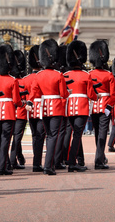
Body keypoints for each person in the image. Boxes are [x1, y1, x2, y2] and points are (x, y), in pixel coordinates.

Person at [27, 39, 69, 175]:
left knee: (48, 135)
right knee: (53, 136)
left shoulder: (38, 76)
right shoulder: (59, 75)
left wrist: (29, 103)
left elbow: (34, 93)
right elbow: (64, 94)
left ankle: (46, 165)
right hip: (56, 108)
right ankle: (48, 166)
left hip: (44, 108)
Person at [64, 40, 97, 172]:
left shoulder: (65, 75)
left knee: (75, 133)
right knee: (77, 135)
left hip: (69, 107)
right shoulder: (86, 75)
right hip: (82, 107)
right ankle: (72, 163)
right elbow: (91, 94)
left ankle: (78, 160)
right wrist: (96, 97)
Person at [0, 44, 22, 175]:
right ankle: (1, 167)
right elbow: (16, 100)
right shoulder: (12, 80)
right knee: (5, 141)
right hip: (8, 112)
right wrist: (22, 104)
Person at [89, 40, 115, 169]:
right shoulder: (109, 74)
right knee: (103, 133)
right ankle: (99, 160)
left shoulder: (89, 74)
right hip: (105, 105)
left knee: (97, 132)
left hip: (93, 105)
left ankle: (101, 156)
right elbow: (113, 93)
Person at [23, 45, 46, 172]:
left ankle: (35, 161)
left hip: (30, 109)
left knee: (34, 135)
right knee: (41, 136)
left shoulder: (26, 79)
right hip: (42, 107)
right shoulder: (43, 76)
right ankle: (37, 163)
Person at [9, 49, 28, 170]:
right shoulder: (24, 81)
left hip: (9, 112)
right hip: (20, 112)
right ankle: (12, 161)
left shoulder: (10, 80)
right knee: (17, 137)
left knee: (14, 137)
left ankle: (19, 157)